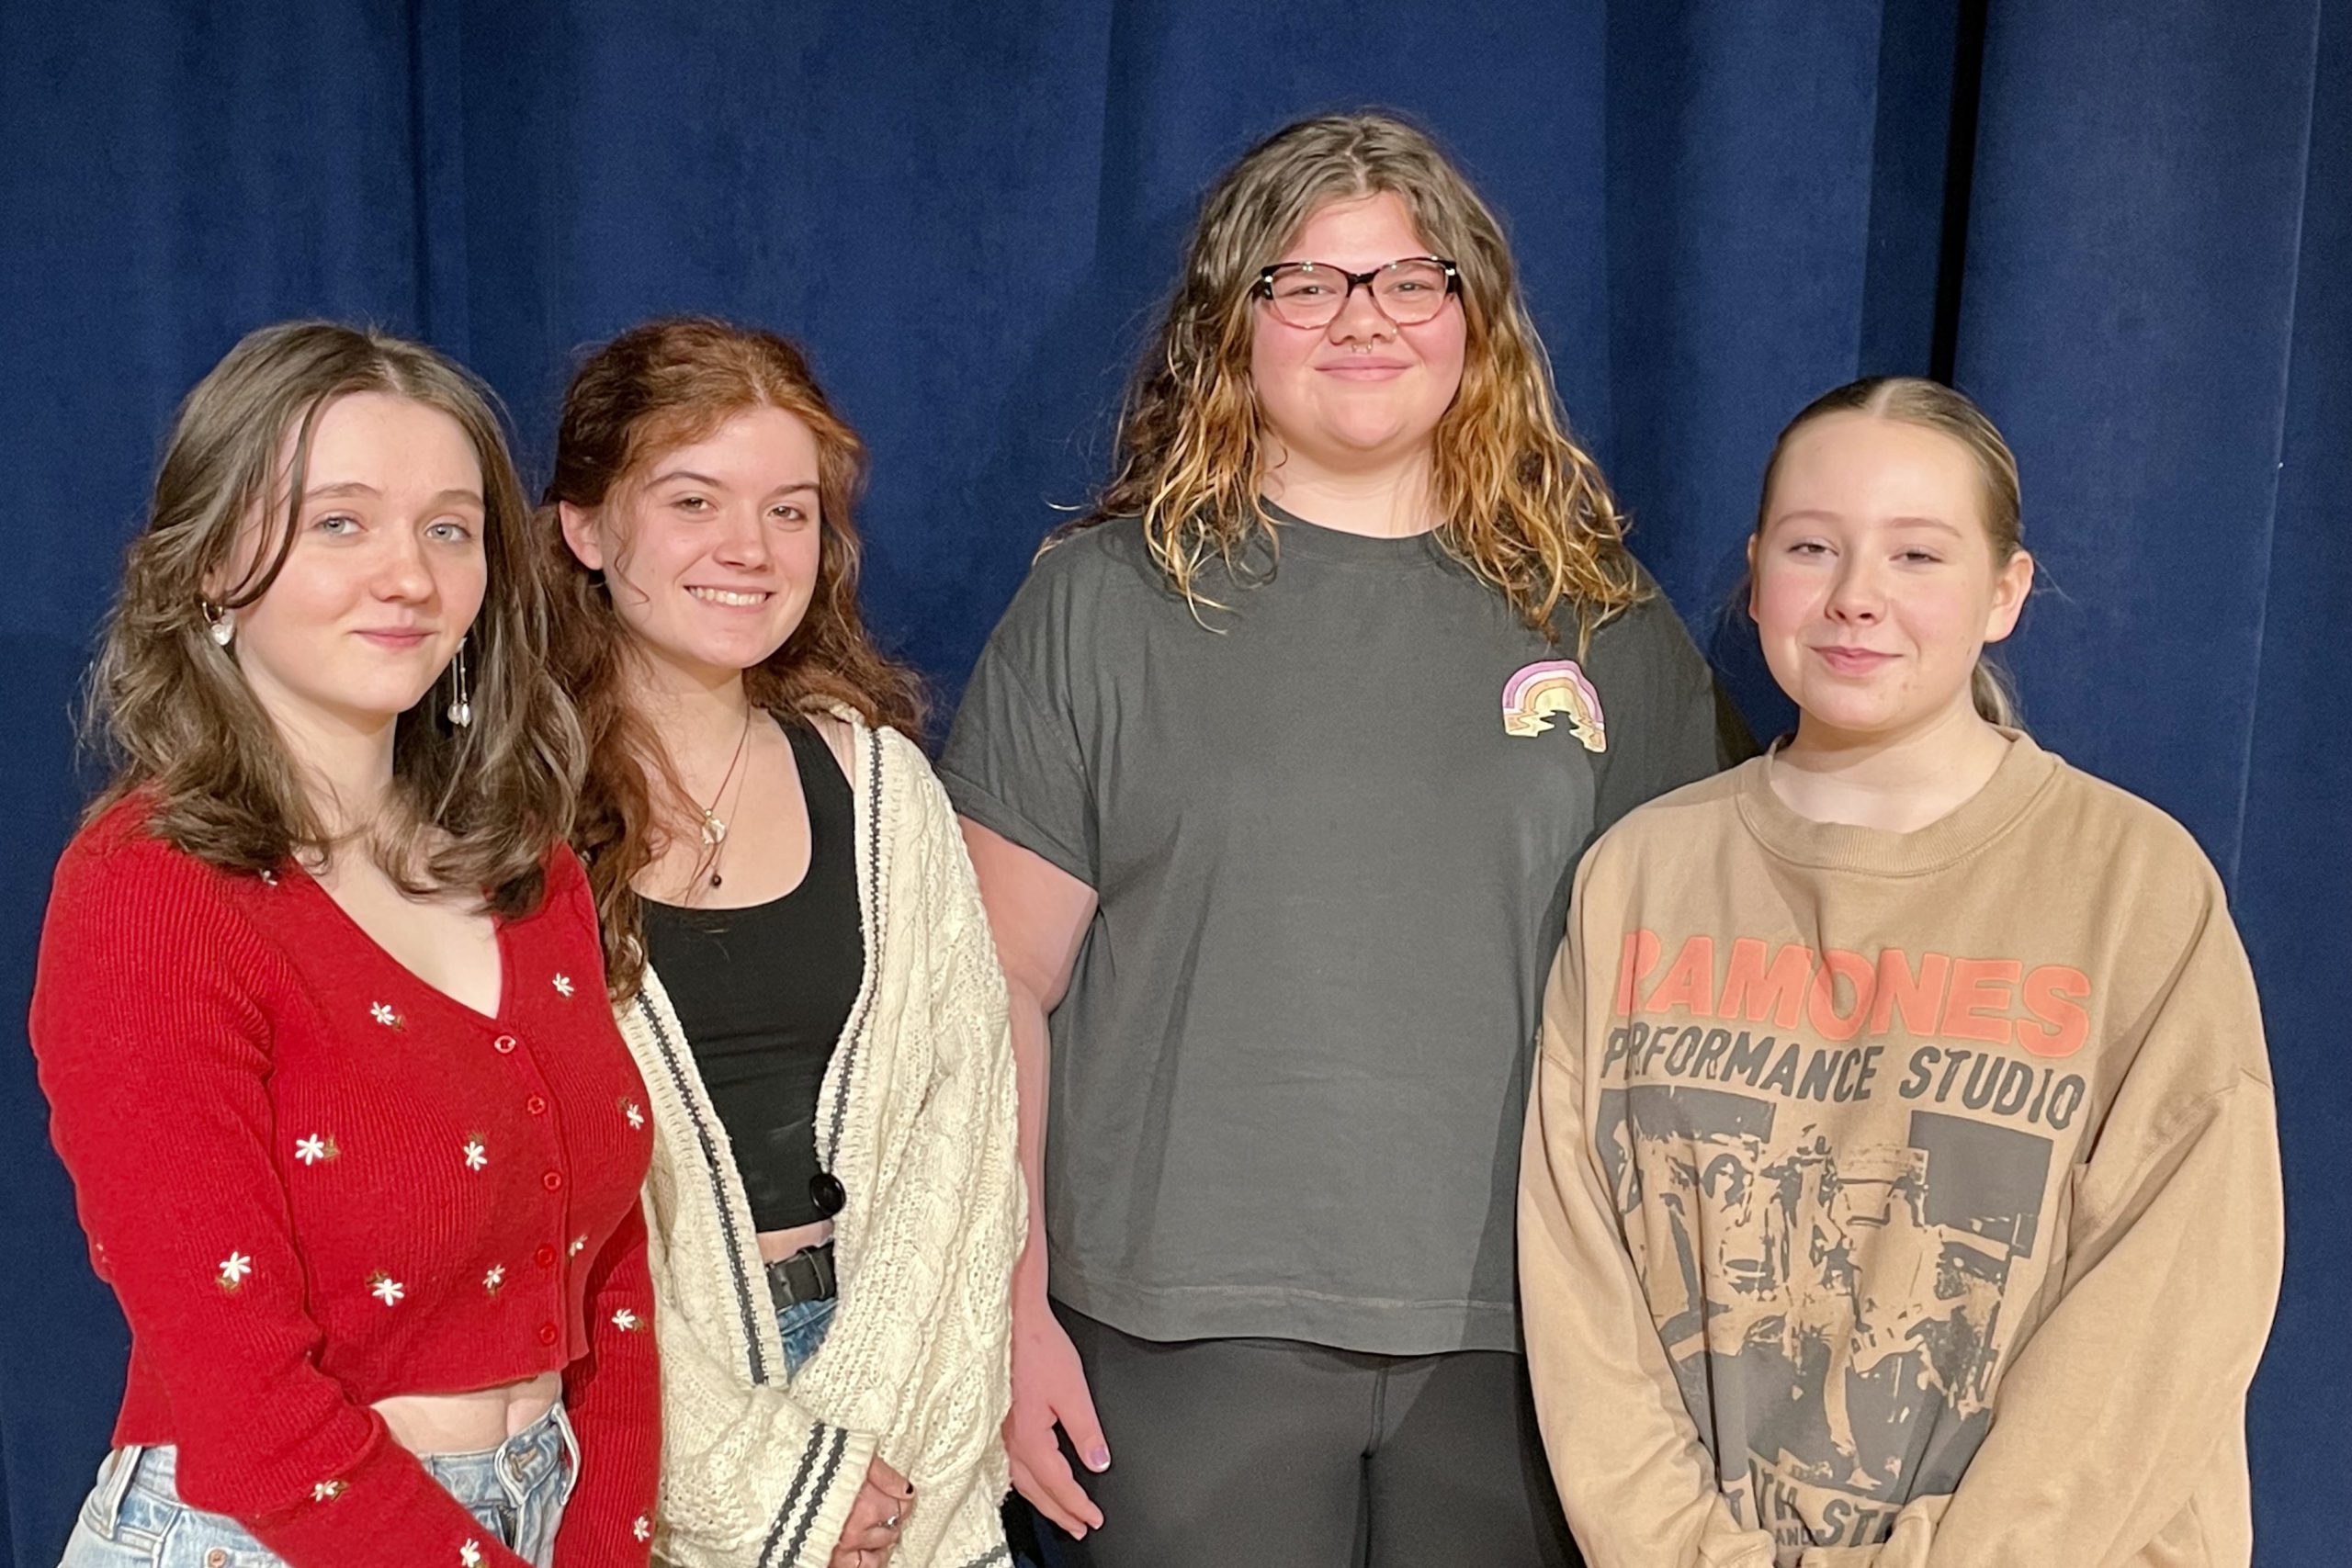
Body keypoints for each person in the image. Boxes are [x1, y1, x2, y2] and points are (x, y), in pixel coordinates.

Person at [941, 112, 1741, 1567]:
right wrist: (1006, 1310)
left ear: (1470, 315)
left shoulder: (1606, 625)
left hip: (1531, 1334)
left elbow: (1689, 1010)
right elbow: (996, 986)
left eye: (1406, 280)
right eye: (1304, 283)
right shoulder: (1104, 608)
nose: (1360, 320)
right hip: (1178, 1333)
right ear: (1232, 325)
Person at [1519, 377, 2284, 1567]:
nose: (1856, 598)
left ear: (2006, 592)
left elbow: (2173, 1306)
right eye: (1813, 547)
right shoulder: (1640, 878)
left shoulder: (2135, 886)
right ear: (1759, 572)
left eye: (1918, 555)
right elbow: (1582, 1286)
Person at [30, 321, 659, 1568]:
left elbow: (611, 1270)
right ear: (213, 565)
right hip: (264, 1538)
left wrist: (604, 1545)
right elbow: (243, 1395)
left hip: (546, 1509)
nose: (411, 578)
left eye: (447, 528)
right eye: (340, 523)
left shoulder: (526, 870)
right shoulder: (150, 892)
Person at [539, 317, 1022, 1568]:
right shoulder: (494, 820)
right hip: (633, 1447)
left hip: (904, 1441)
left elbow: (961, 1149)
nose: (749, 551)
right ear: (585, 527)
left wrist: (868, 1461)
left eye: (791, 511)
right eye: (694, 500)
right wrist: (769, 1488)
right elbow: (529, 1220)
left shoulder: (882, 792)